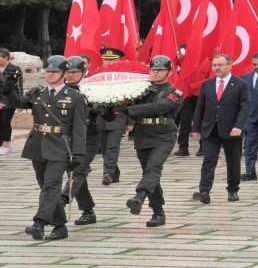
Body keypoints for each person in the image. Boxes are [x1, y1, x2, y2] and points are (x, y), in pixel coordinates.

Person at [5, 55, 87, 240]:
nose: (50, 74)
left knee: (51, 185)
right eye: (48, 71)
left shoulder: (75, 98)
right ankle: (60, 226)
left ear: (64, 74)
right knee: (46, 187)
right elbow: (16, 103)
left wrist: (79, 154)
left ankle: (39, 222)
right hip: (38, 146)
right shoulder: (37, 93)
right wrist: (9, 88)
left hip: (60, 147)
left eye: (55, 71)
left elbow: (80, 129)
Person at [117, 55, 183, 227]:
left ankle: (139, 196)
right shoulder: (141, 90)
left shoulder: (175, 92)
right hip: (143, 134)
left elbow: (158, 107)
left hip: (164, 135)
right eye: (153, 69)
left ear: (168, 72)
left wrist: (128, 110)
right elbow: (124, 99)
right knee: (150, 173)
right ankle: (158, 212)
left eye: (160, 70)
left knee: (153, 167)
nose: (155, 72)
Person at [192, 54, 250, 204]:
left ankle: (232, 189)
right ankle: (204, 191)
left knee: (233, 161)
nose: (217, 68)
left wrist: (239, 126)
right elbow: (200, 107)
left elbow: (245, 108)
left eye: (220, 65)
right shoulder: (207, 84)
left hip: (231, 130)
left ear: (229, 65)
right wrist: (196, 128)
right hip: (210, 129)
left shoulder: (240, 84)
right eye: (214, 65)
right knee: (208, 160)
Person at [60, 55, 101, 226]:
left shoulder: (93, 88)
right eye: (67, 72)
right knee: (75, 173)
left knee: (79, 170)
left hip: (89, 135)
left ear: (83, 72)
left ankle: (61, 202)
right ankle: (88, 210)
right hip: (67, 136)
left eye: (74, 72)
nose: (70, 75)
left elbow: (103, 108)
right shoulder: (61, 89)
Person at [97, 47, 133, 185]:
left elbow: (132, 101)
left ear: (119, 60)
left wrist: (131, 121)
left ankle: (108, 173)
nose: (109, 63)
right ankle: (114, 173)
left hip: (119, 116)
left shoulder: (125, 77)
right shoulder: (98, 76)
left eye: (112, 60)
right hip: (101, 117)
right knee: (105, 148)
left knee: (112, 146)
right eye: (106, 60)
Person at [0, 48, 23, 155]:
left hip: (10, 100)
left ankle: (5, 145)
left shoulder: (15, 69)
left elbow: (19, 86)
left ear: (6, 58)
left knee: (5, 121)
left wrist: (20, 102)